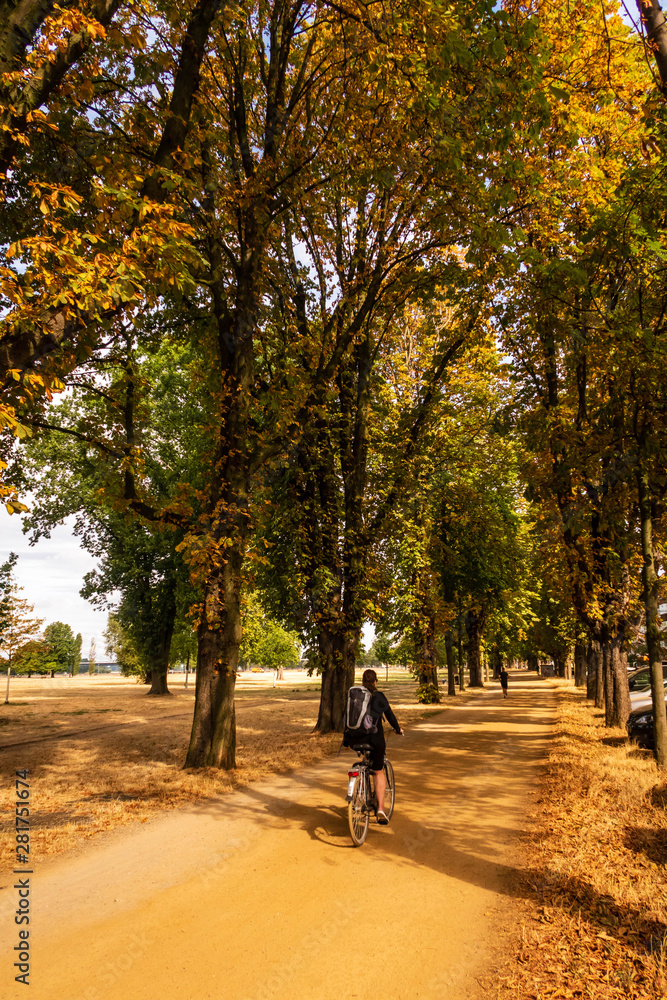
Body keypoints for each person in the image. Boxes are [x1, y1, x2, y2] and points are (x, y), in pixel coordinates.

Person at [345, 668, 404, 825]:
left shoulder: (355, 696)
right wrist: (398, 729)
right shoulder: (378, 696)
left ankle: (360, 781)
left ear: (363, 681)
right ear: (375, 681)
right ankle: (381, 810)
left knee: (364, 759)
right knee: (378, 771)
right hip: (374, 740)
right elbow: (390, 715)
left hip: (354, 739)